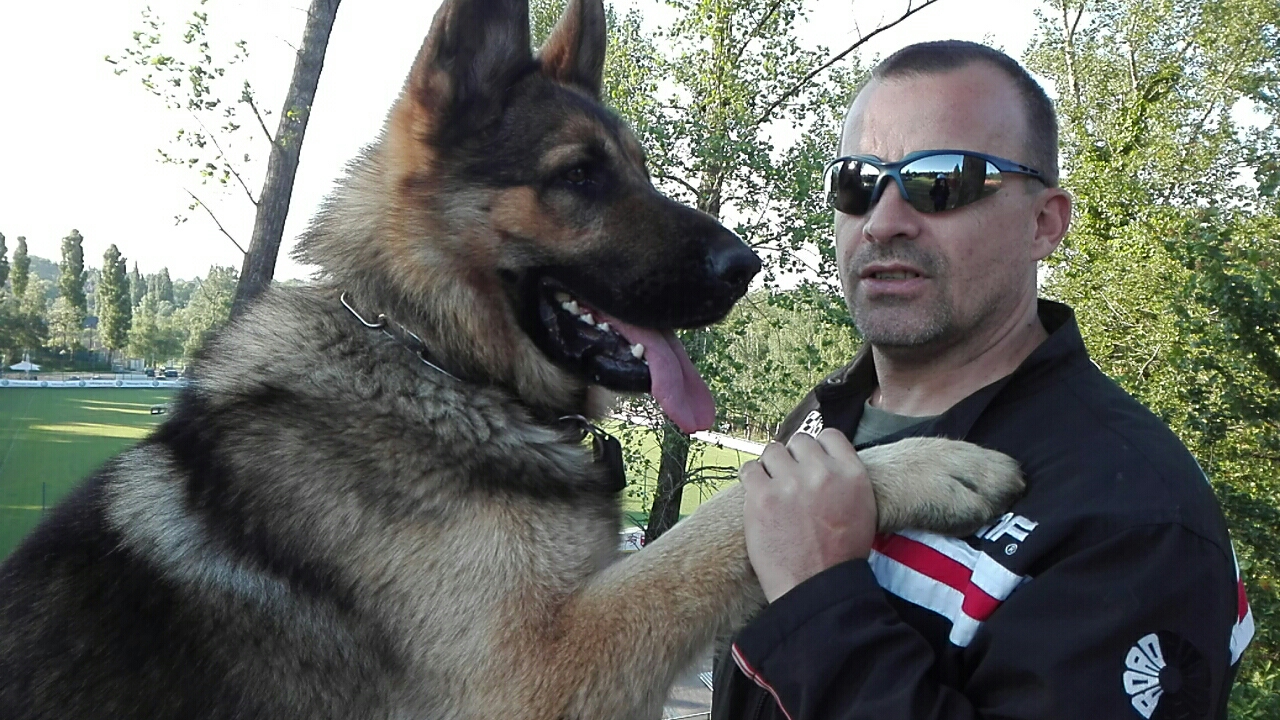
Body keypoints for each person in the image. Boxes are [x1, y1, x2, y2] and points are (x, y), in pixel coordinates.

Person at [710, 41, 1252, 720]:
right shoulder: (824, 416)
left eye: (942, 181)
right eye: (856, 182)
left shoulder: (1138, 518)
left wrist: (818, 599)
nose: (883, 222)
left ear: (1043, 224)